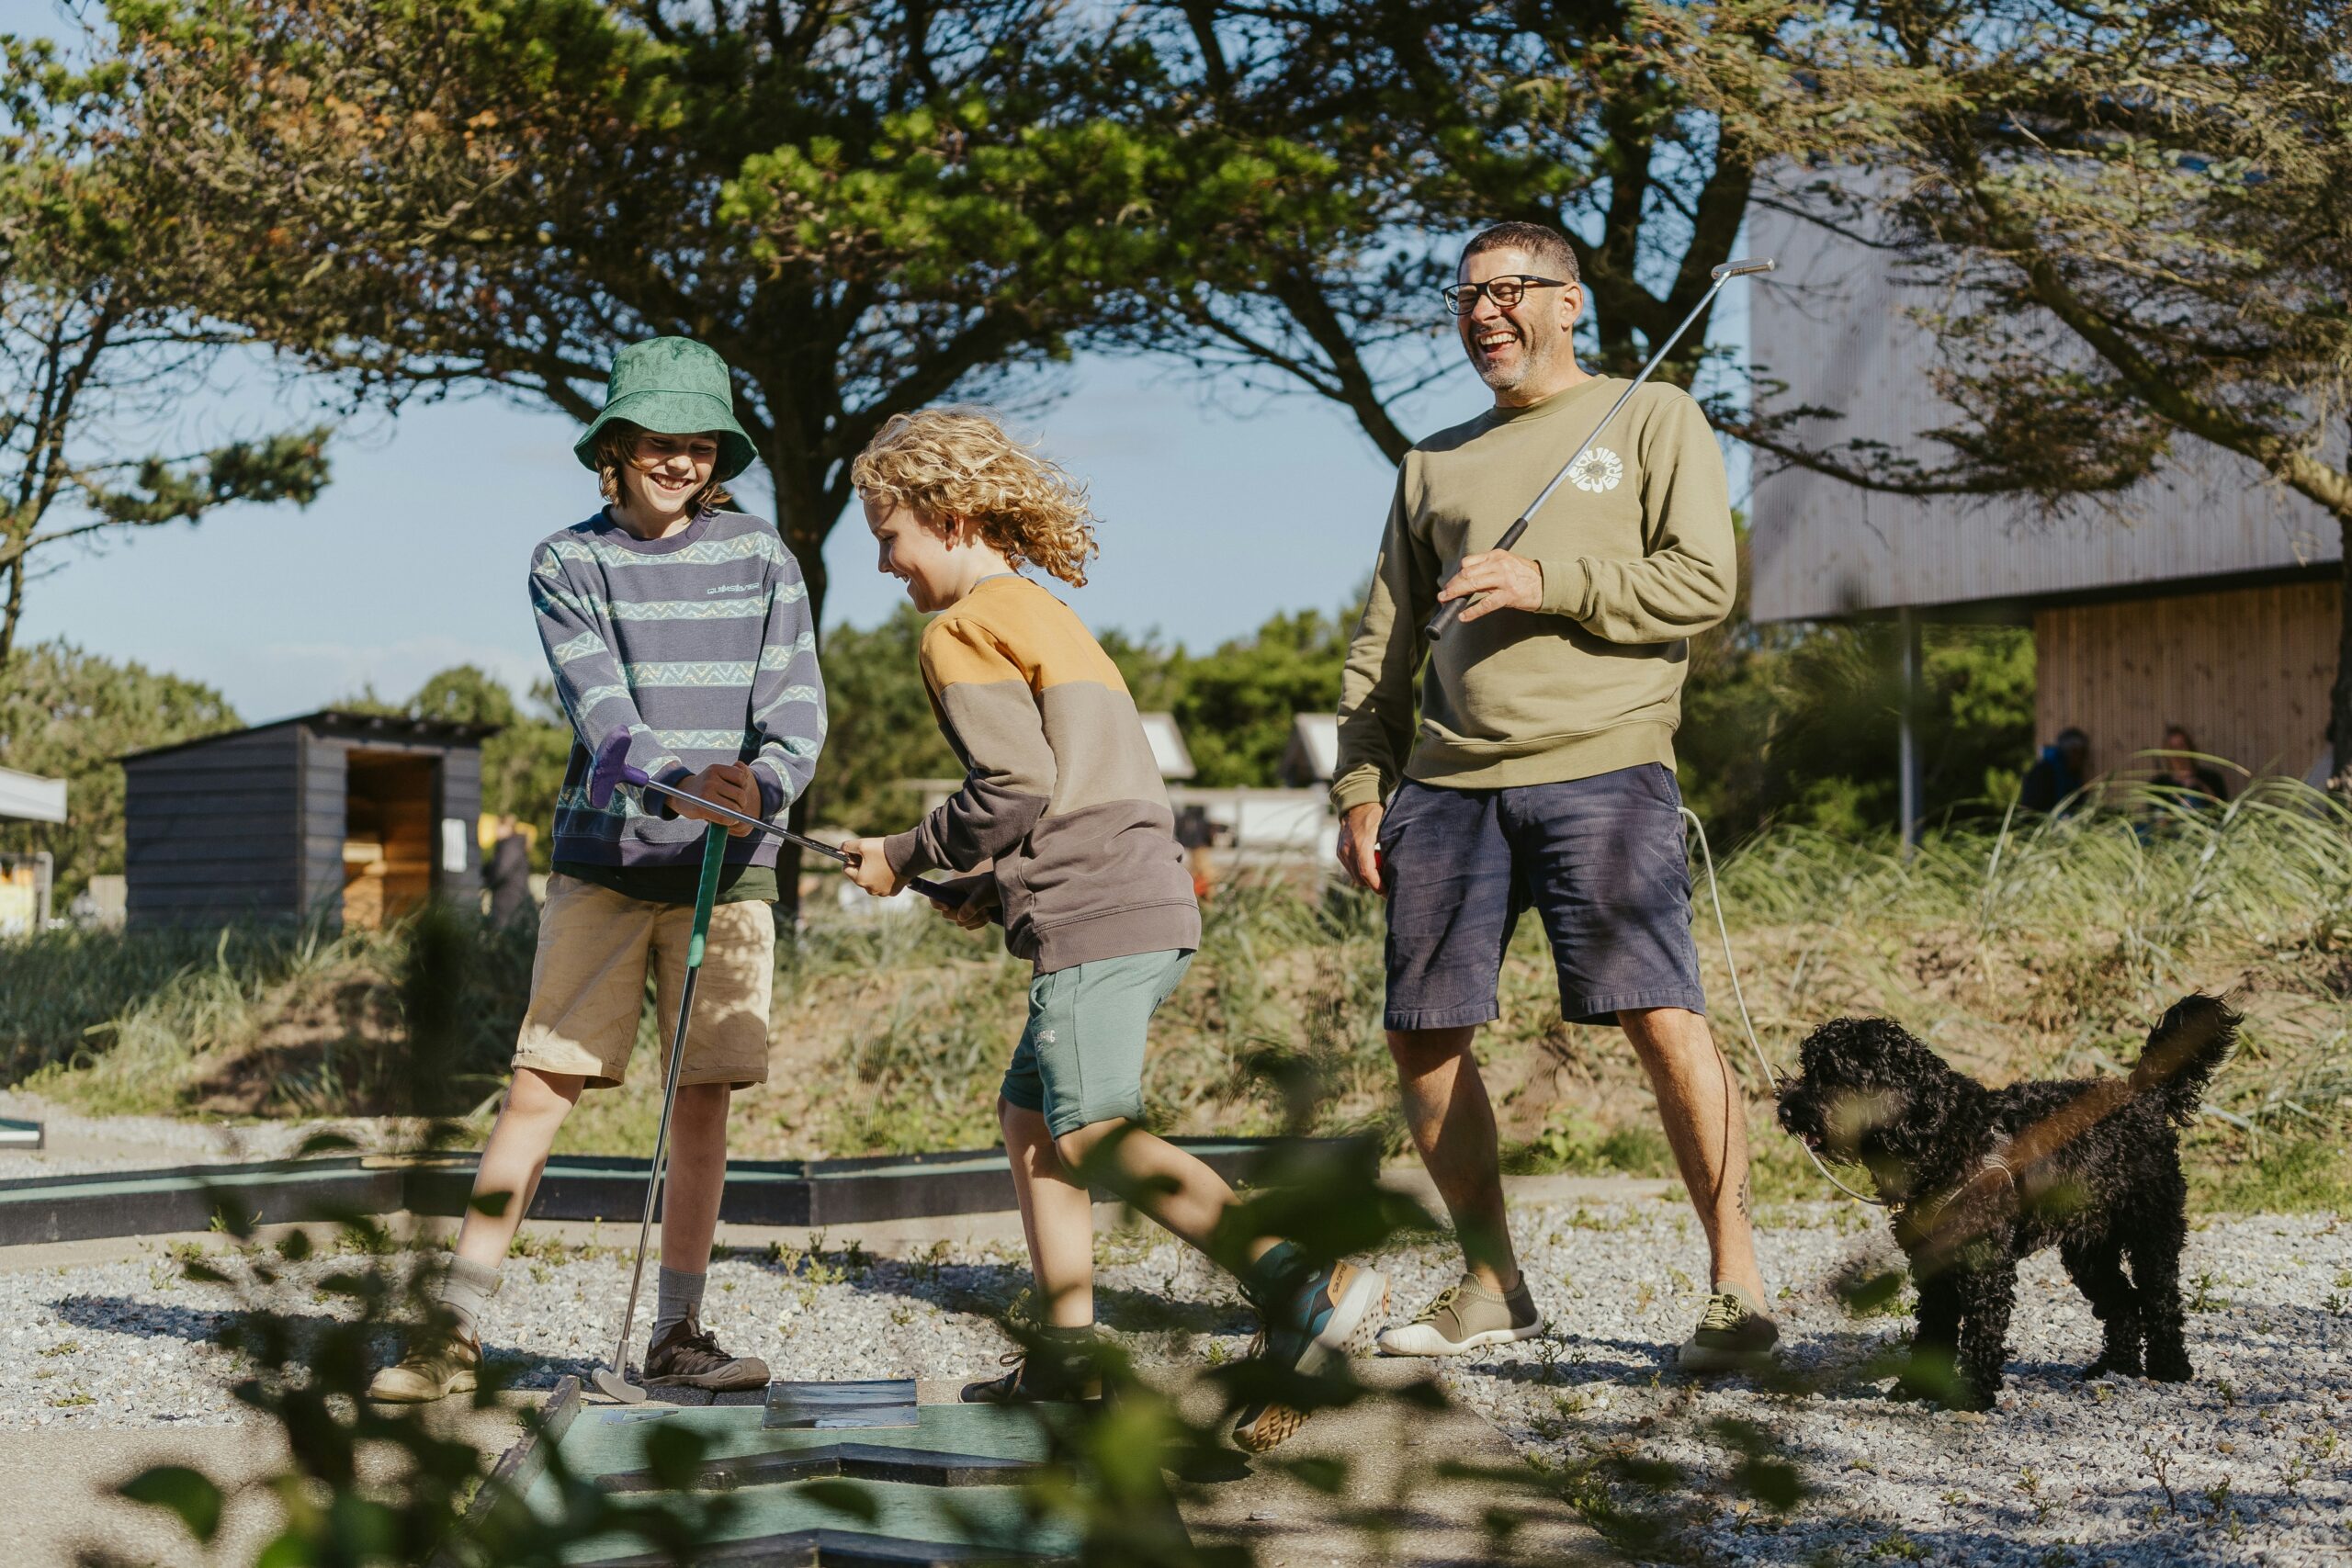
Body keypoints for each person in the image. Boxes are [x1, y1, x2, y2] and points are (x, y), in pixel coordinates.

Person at [840, 408, 1389, 1452]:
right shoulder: (1044, 613)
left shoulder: (958, 632)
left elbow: (1013, 785)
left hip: (1096, 909)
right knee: (1032, 1120)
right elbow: (1073, 791)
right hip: (1137, 893)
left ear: (949, 518)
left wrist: (904, 854)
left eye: (888, 535)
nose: (883, 563)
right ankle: (1067, 1353)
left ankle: (1300, 1281)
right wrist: (990, 887)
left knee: (1089, 1127)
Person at [1332, 220, 1774, 1371]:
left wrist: (1547, 579)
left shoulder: (1652, 415)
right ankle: (1493, 1287)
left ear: (1568, 302)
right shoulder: (1430, 463)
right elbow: (1383, 647)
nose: (1483, 312)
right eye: (1466, 296)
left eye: (1509, 290)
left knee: (1660, 1017)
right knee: (1421, 1037)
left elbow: (1703, 583)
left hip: (1603, 763)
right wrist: (1362, 786)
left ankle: (1736, 1286)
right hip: (1446, 786)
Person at [368, 337, 825, 1402]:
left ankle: (678, 1334)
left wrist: (761, 783)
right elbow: (601, 711)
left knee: (701, 1105)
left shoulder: (763, 556)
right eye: (657, 439)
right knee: (540, 1087)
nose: (679, 460)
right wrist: (677, 780)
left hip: (729, 870)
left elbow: (797, 705)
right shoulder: (564, 562)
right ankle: (451, 1333)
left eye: (699, 444)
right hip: (605, 862)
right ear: (612, 447)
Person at [2020, 727, 2090, 814]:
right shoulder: (2043, 771)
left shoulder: (2074, 776)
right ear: (2068, 752)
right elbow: (2031, 807)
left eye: (2083, 753)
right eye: (2076, 752)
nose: (2081, 758)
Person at [2155, 725, 2229, 805]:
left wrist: (2199, 785)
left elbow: (2223, 807)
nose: (2178, 752)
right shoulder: (2159, 784)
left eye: (2181, 746)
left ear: (2190, 748)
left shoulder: (2212, 778)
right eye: (2172, 748)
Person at [483, 813, 533, 928]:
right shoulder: (513, 845)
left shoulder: (510, 846)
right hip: (512, 897)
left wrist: (487, 882)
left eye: (498, 827)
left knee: (504, 931)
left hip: (508, 899)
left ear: (508, 827)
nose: (495, 830)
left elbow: (501, 871)